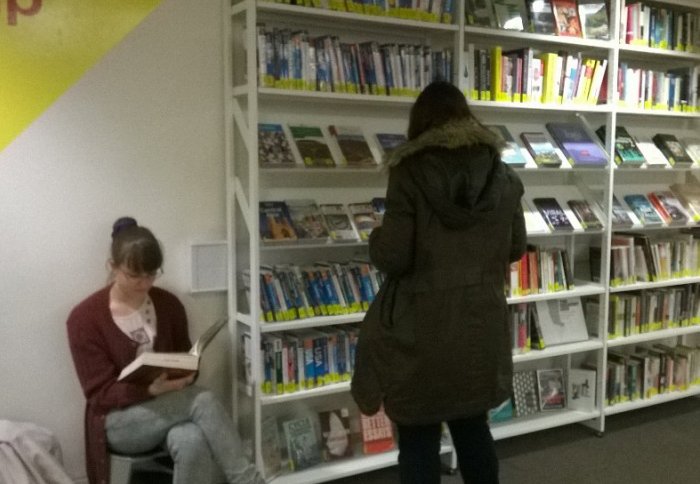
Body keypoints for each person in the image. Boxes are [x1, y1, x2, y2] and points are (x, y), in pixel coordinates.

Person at [351, 81, 527, 484]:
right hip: (480, 324)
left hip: (421, 329)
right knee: (472, 428)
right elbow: (515, 247)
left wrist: (376, 237)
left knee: (417, 434)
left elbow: (394, 256)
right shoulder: (503, 175)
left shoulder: (409, 173)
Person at [66, 217, 263, 484]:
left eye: (151, 273)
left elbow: (184, 358)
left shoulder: (168, 304)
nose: (144, 283)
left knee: (190, 439)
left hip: (170, 407)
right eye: (133, 275)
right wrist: (149, 390)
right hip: (118, 422)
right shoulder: (84, 319)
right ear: (112, 267)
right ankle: (249, 480)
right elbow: (99, 395)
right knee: (202, 400)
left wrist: (184, 374)